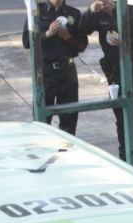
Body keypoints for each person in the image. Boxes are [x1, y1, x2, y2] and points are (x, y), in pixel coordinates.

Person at [79, 0, 133, 178]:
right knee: (121, 120)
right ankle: (125, 162)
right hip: (114, 73)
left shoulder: (132, 11)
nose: (103, 4)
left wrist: (126, 40)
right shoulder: (98, 15)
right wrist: (89, 10)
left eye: (106, 1)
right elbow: (80, 29)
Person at [22, 0, 88, 135]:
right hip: (45, 73)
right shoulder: (37, 11)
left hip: (68, 72)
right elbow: (27, 42)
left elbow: (82, 45)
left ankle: (65, 154)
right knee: (42, 123)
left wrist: (67, 37)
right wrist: (48, 34)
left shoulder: (73, 14)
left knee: (69, 123)